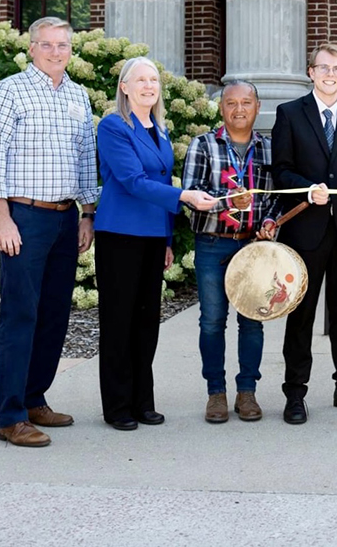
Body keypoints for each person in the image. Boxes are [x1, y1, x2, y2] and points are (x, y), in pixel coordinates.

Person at [0, 16, 99, 448]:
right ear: (31, 48)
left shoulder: (78, 96)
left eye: (63, 44)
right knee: (20, 314)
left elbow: (86, 157)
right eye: (47, 44)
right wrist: (1, 217)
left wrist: (87, 213)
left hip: (67, 219)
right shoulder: (7, 92)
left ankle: (34, 399)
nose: (55, 51)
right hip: (24, 217)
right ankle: (10, 416)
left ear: (71, 48)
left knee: (53, 315)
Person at [93, 57, 218, 430]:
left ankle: (142, 402)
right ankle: (117, 406)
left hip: (151, 236)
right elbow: (132, 181)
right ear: (124, 87)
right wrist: (185, 196)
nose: (149, 85)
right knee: (119, 321)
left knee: (147, 320)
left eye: (153, 79)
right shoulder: (114, 126)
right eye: (140, 80)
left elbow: (160, 179)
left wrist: (166, 239)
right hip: (120, 234)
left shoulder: (159, 129)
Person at [271, 43, 337, 425]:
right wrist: (305, 188)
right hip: (306, 230)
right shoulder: (290, 114)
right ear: (310, 72)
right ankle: (295, 393)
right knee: (301, 313)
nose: (330, 74)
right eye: (323, 68)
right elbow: (280, 170)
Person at [182, 80, 280, 424]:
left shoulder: (269, 149)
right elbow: (190, 195)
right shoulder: (203, 146)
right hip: (213, 244)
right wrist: (226, 201)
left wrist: (269, 223)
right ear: (221, 108)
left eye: (246, 103)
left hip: (253, 246)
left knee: (252, 320)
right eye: (231, 103)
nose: (239, 109)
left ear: (257, 107)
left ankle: (247, 392)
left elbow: (275, 199)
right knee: (212, 321)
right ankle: (216, 392)